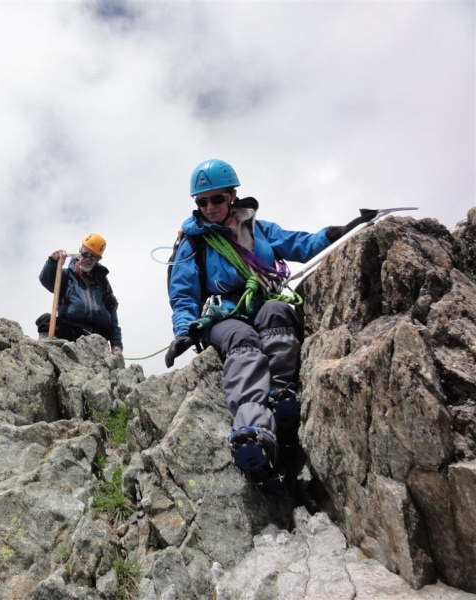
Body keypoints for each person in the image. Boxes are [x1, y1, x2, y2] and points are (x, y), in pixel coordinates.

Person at [165, 158, 375, 488]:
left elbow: (299, 243)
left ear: (232, 196)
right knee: (243, 340)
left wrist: (338, 232)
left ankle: (280, 399)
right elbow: (183, 294)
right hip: (225, 316)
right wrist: (184, 331)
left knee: (277, 314)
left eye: (216, 199)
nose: (209, 207)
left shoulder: (256, 228)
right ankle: (254, 432)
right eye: (202, 201)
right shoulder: (194, 243)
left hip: (263, 301)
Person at [36, 233, 123, 353]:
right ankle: (49, 348)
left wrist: (116, 343)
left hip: (97, 337)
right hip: (70, 329)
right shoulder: (67, 275)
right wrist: (52, 262)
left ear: (98, 260)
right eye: (85, 253)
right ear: (80, 252)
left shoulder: (103, 283)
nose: (87, 259)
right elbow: (46, 279)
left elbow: (112, 315)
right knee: (47, 319)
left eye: (93, 256)